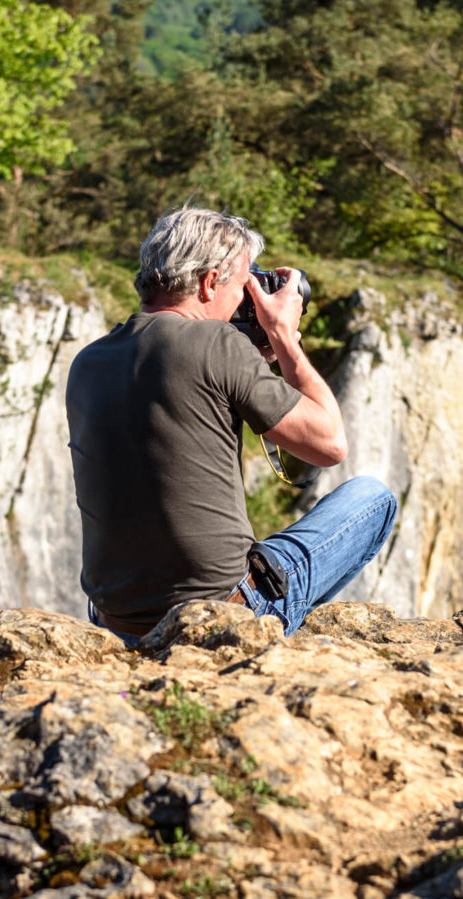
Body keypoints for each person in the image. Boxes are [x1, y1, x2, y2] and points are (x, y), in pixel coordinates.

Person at [65, 206, 396, 645]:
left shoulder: (88, 360)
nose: (249, 299)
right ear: (208, 283)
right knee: (373, 498)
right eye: (245, 286)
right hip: (220, 613)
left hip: (115, 621)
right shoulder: (215, 344)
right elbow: (329, 444)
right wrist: (281, 335)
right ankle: (268, 635)